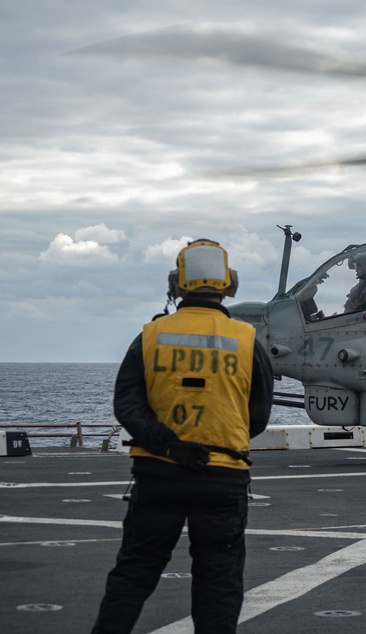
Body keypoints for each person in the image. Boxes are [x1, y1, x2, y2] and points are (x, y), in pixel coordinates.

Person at [91, 239, 273, 634]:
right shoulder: (246, 341)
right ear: (230, 285)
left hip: (159, 475)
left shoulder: (151, 336)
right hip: (223, 478)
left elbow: (127, 406)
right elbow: (257, 417)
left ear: (177, 285)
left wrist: (169, 443)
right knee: (219, 583)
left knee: (134, 573)